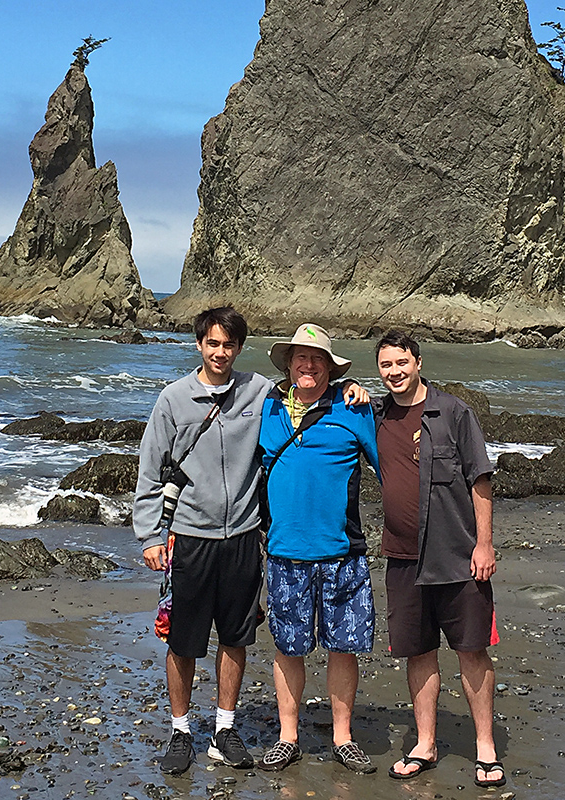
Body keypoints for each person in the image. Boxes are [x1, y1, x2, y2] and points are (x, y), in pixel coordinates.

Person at [133, 308, 368, 776]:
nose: (220, 353)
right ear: (200, 345)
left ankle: (224, 727)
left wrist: (350, 388)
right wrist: (150, 535)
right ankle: (181, 730)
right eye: (212, 344)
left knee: (236, 637)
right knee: (182, 640)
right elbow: (149, 470)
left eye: (229, 345)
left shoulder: (259, 391)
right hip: (189, 537)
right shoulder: (173, 399)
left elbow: (308, 389)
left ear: (239, 348)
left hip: (243, 536)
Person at [373, 330, 505, 788]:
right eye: (386, 365)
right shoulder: (375, 414)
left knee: (471, 648)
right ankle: (425, 744)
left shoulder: (452, 412)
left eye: (401, 363)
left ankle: (485, 747)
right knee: (418, 651)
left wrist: (484, 544)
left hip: (457, 555)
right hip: (403, 558)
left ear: (418, 362)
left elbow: (480, 479)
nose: (394, 372)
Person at [257, 323, 380, 775]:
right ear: (288, 364)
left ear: (331, 367)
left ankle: (342, 738)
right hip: (285, 551)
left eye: (317, 359)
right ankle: (288, 737)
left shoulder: (354, 409)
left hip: (341, 552)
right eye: (300, 358)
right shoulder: (267, 406)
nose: (308, 366)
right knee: (288, 648)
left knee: (343, 647)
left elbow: (392, 471)